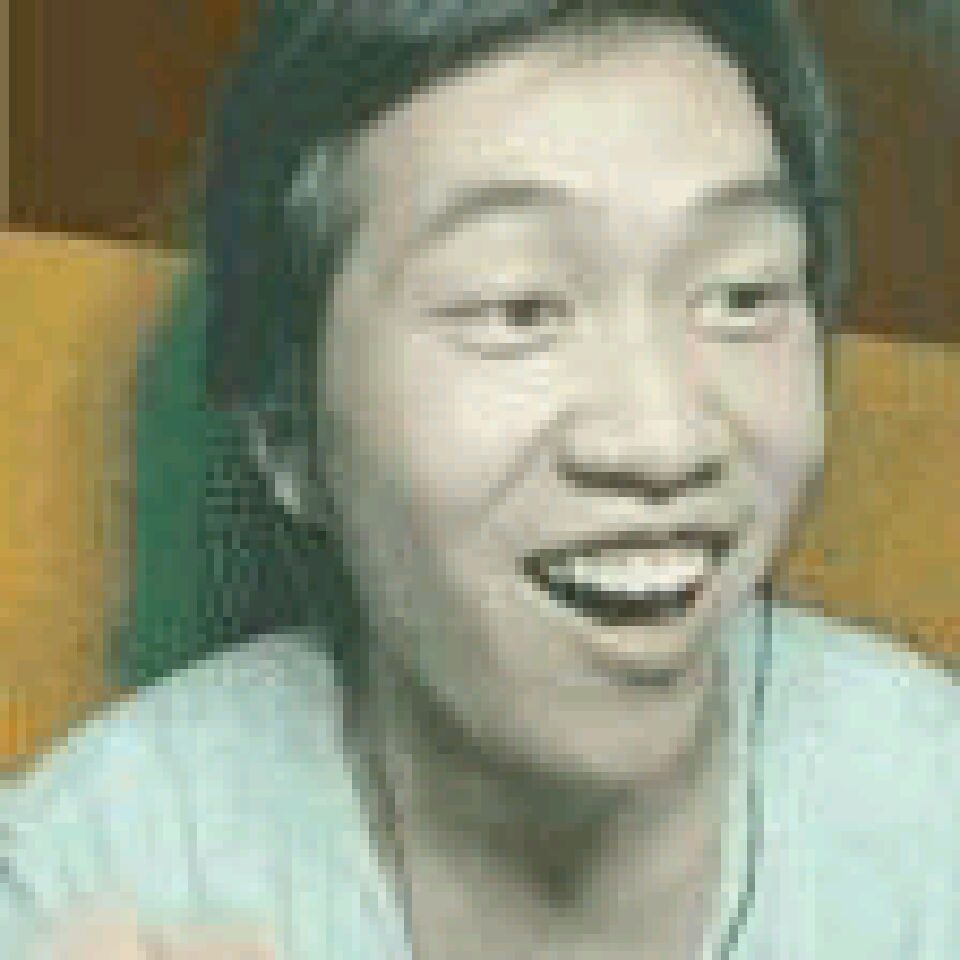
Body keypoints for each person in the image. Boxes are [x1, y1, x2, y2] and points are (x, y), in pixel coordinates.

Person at [3, 1, 957, 957]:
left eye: (743, 295)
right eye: (518, 307)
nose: (664, 440)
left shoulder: (930, 818)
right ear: (287, 428)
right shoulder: (96, 875)